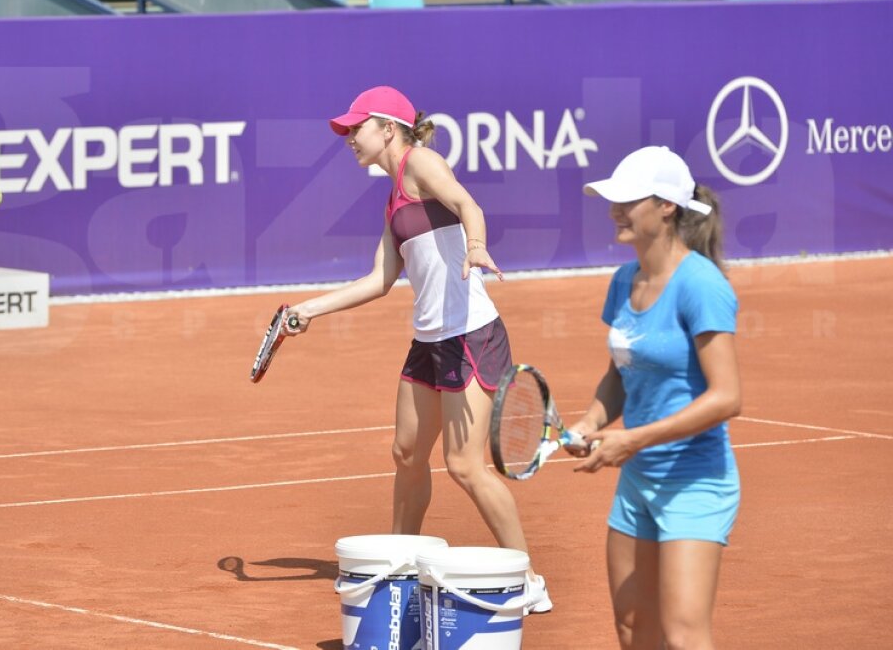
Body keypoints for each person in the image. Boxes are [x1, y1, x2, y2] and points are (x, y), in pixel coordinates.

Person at [285, 85, 552, 614]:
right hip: (429, 340)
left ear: (388, 128)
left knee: (465, 465)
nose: (348, 140)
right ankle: (399, 567)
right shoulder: (391, 197)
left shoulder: (421, 162)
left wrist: (475, 247)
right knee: (407, 454)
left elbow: (466, 204)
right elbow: (380, 279)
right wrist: (309, 309)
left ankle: (527, 577)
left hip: (471, 334)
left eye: (355, 129)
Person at [565, 145, 742, 649]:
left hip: (695, 483)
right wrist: (587, 423)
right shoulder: (623, 281)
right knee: (633, 630)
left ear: (667, 207)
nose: (614, 210)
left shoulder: (701, 285)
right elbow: (619, 377)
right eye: (613, 200)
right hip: (638, 483)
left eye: (628, 200)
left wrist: (632, 440)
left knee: (683, 636)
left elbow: (728, 397)